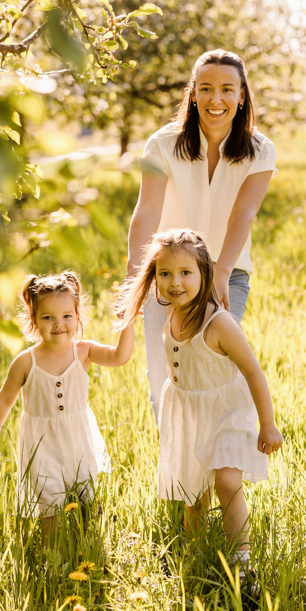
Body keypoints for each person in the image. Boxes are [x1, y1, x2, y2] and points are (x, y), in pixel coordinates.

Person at [117, 229, 282, 574]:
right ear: (155, 277)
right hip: (187, 413)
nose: (175, 282)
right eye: (165, 274)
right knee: (192, 494)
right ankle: (196, 555)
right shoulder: (170, 316)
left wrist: (267, 424)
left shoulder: (219, 323)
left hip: (226, 412)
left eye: (185, 273)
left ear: (204, 273)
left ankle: (241, 563)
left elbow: (253, 372)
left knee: (226, 482)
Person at [127, 49, 277, 420]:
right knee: (166, 378)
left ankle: (218, 469)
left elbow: (244, 214)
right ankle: (177, 475)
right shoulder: (161, 144)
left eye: (228, 89)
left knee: (212, 372)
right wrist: (135, 277)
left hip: (227, 272)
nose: (216, 99)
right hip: (168, 274)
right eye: (206, 88)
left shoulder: (261, 150)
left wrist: (221, 274)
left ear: (242, 96)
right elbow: (147, 211)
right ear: (193, 93)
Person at [0, 271, 136, 537]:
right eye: (48, 317)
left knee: (86, 496)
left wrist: (127, 322)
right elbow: (5, 398)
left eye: (67, 316)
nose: (58, 324)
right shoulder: (26, 361)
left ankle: (88, 545)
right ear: (34, 320)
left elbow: (119, 357)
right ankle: (55, 561)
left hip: (78, 437)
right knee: (49, 503)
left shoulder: (83, 351)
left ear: (77, 316)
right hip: (42, 443)